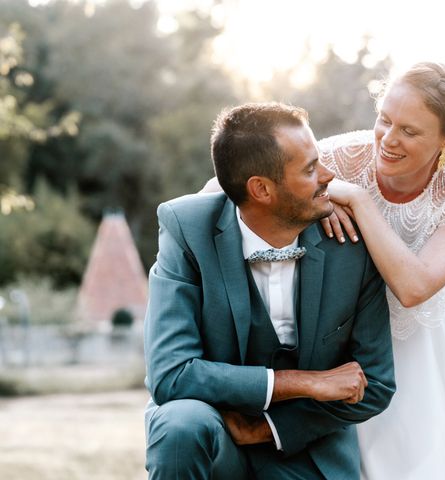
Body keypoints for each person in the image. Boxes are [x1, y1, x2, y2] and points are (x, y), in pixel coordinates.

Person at [144, 102, 395, 480]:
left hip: (306, 451)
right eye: (310, 169)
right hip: (216, 436)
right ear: (261, 189)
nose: (329, 176)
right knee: (179, 423)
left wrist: (265, 429)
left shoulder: (352, 246)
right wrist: (306, 382)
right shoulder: (187, 230)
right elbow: (171, 375)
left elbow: (374, 383)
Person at [318, 62, 445, 479]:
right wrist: (317, 196)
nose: (387, 139)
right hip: (339, 343)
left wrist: (358, 201)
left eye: (410, 131)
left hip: (415, 349)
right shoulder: (341, 157)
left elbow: (414, 286)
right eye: (384, 119)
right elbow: (234, 184)